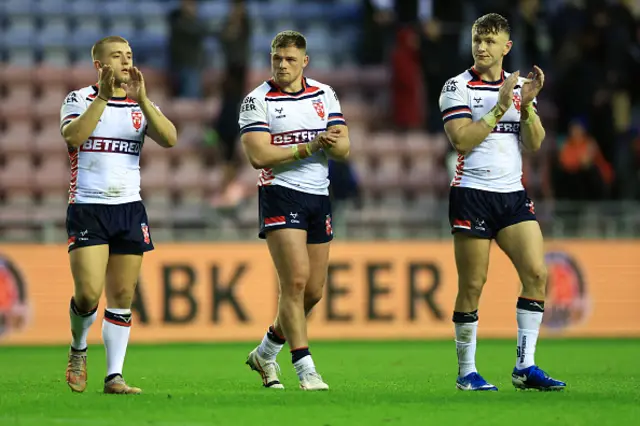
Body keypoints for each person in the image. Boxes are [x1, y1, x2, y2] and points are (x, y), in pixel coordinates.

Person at [438, 13, 566, 391]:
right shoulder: (456, 87)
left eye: (491, 41)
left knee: (537, 274)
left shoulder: (521, 87)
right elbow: (461, 140)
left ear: (506, 47)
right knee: (473, 285)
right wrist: (499, 106)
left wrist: (524, 105)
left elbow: (536, 142)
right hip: (472, 194)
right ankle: (466, 372)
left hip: (512, 195)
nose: (482, 46)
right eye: (478, 39)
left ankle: (525, 367)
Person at [60, 36, 177, 394]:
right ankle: (79, 348)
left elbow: (170, 138)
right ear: (99, 65)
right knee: (88, 294)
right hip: (88, 206)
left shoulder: (142, 104)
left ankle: (114, 376)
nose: (126, 62)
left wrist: (143, 100)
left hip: (128, 207)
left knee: (123, 294)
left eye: (129, 55)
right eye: (117, 56)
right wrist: (104, 98)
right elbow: (73, 137)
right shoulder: (79, 99)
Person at [238, 30, 350, 391]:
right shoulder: (257, 101)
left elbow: (344, 146)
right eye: (276, 59)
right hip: (280, 193)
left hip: (319, 194)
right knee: (296, 281)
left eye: (289, 59)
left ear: (305, 62)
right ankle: (305, 367)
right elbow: (258, 155)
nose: (282, 65)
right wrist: (309, 147)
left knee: (313, 291)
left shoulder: (324, 94)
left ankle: (266, 350)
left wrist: (332, 144)